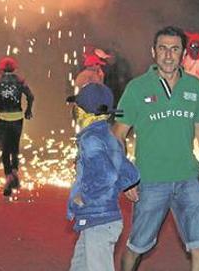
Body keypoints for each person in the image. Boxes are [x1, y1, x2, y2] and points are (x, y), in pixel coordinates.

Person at [113, 25, 199, 271]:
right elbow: (118, 135)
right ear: (153, 52)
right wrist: (126, 177)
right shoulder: (137, 88)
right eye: (162, 49)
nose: (168, 55)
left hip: (188, 179)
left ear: (183, 53)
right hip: (151, 181)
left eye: (174, 49)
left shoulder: (194, 87)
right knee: (136, 247)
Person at [67, 83, 139, 271]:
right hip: (103, 218)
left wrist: (84, 197)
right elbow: (130, 172)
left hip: (98, 219)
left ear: (83, 112)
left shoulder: (90, 139)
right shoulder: (108, 136)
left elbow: (107, 176)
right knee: (79, 266)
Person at [0, 56, 34, 197]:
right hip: (17, 117)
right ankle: (15, 170)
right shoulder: (20, 81)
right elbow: (31, 96)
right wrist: (28, 110)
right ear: (15, 68)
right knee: (15, 146)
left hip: (2, 118)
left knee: (5, 149)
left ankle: (8, 175)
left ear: (1, 69)